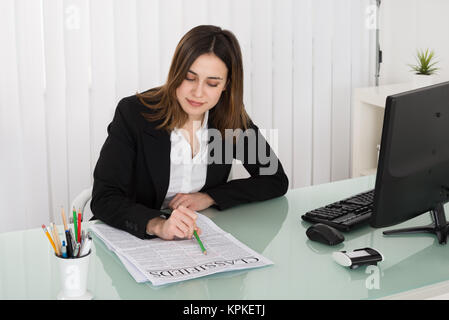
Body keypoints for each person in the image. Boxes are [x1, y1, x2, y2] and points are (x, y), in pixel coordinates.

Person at [91, 25, 289, 241]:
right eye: (189, 77)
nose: (198, 92)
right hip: (136, 238)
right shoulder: (134, 114)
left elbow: (274, 178)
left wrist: (210, 197)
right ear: (176, 72)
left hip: (194, 240)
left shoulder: (229, 119)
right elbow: (104, 198)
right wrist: (157, 224)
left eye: (212, 83)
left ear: (226, 86)